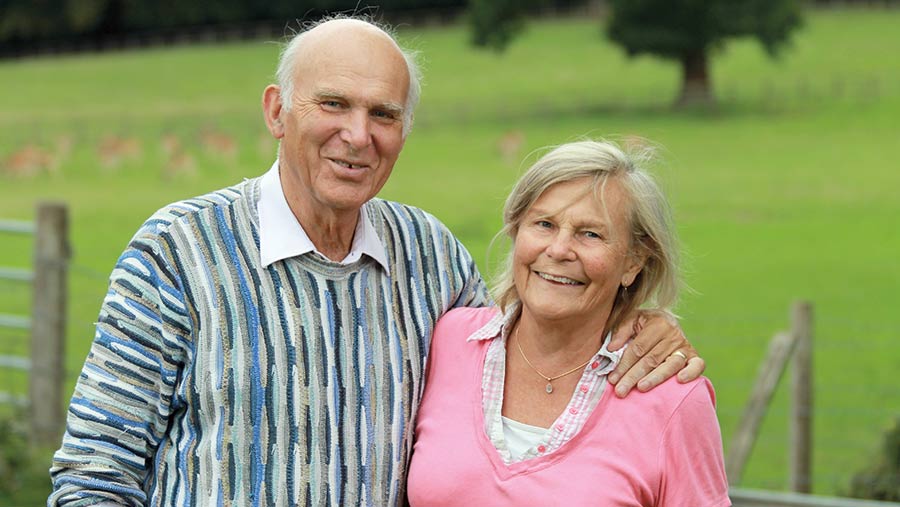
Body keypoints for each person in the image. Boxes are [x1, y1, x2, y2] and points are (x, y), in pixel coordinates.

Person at [49, 17, 703, 507]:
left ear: (403, 132)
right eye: (334, 103)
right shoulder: (177, 250)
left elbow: (527, 341)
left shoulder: (432, 257)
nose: (358, 135)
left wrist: (639, 323)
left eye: (383, 114)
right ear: (277, 111)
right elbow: (94, 473)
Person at [408, 140, 730, 506]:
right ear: (516, 231)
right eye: (544, 224)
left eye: (590, 234)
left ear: (634, 261)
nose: (559, 250)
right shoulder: (448, 341)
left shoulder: (672, 396)